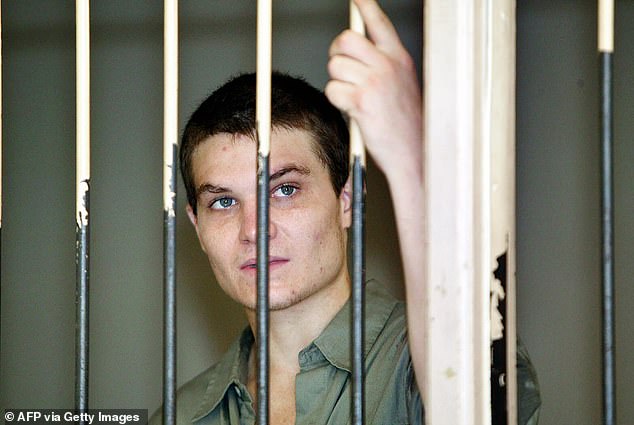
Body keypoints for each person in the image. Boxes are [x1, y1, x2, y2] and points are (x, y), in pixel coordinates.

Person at [150, 0, 540, 423]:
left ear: (347, 200)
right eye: (223, 202)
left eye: (284, 189)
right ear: (196, 226)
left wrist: (408, 155)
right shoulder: (182, 414)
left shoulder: (431, 361)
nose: (253, 229)